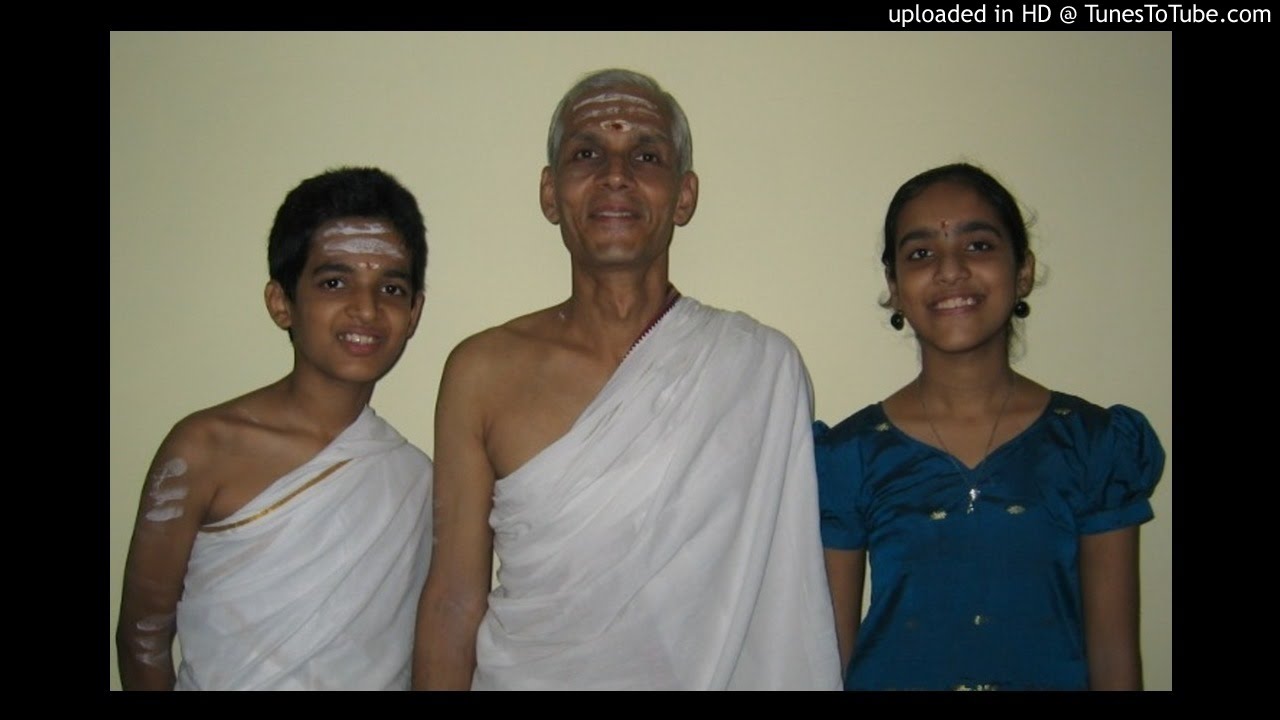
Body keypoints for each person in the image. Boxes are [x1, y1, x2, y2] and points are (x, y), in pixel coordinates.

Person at [413, 68, 842, 690]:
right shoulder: (480, 370)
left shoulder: (760, 366)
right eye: (587, 153)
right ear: (550, 192)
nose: (616, 174)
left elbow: (786, 600)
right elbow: (454, 597)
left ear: (685, 195)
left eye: (646, 154)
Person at [816, 162, 1165, 691]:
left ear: (1022, 269)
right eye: (920, 254)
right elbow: (827, 660)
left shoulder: (1093, 445)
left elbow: (1115, 658)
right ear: (894, 286)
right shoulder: (851, 456)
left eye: (978, 246)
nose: (950, 270)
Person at [116, 167, 433, 690]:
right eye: (334, 281)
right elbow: (141, 638)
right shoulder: (203, 450)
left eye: (392, 287)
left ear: (415, 312)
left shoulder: (416, 480)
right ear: (281, 301)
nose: (366, 308)